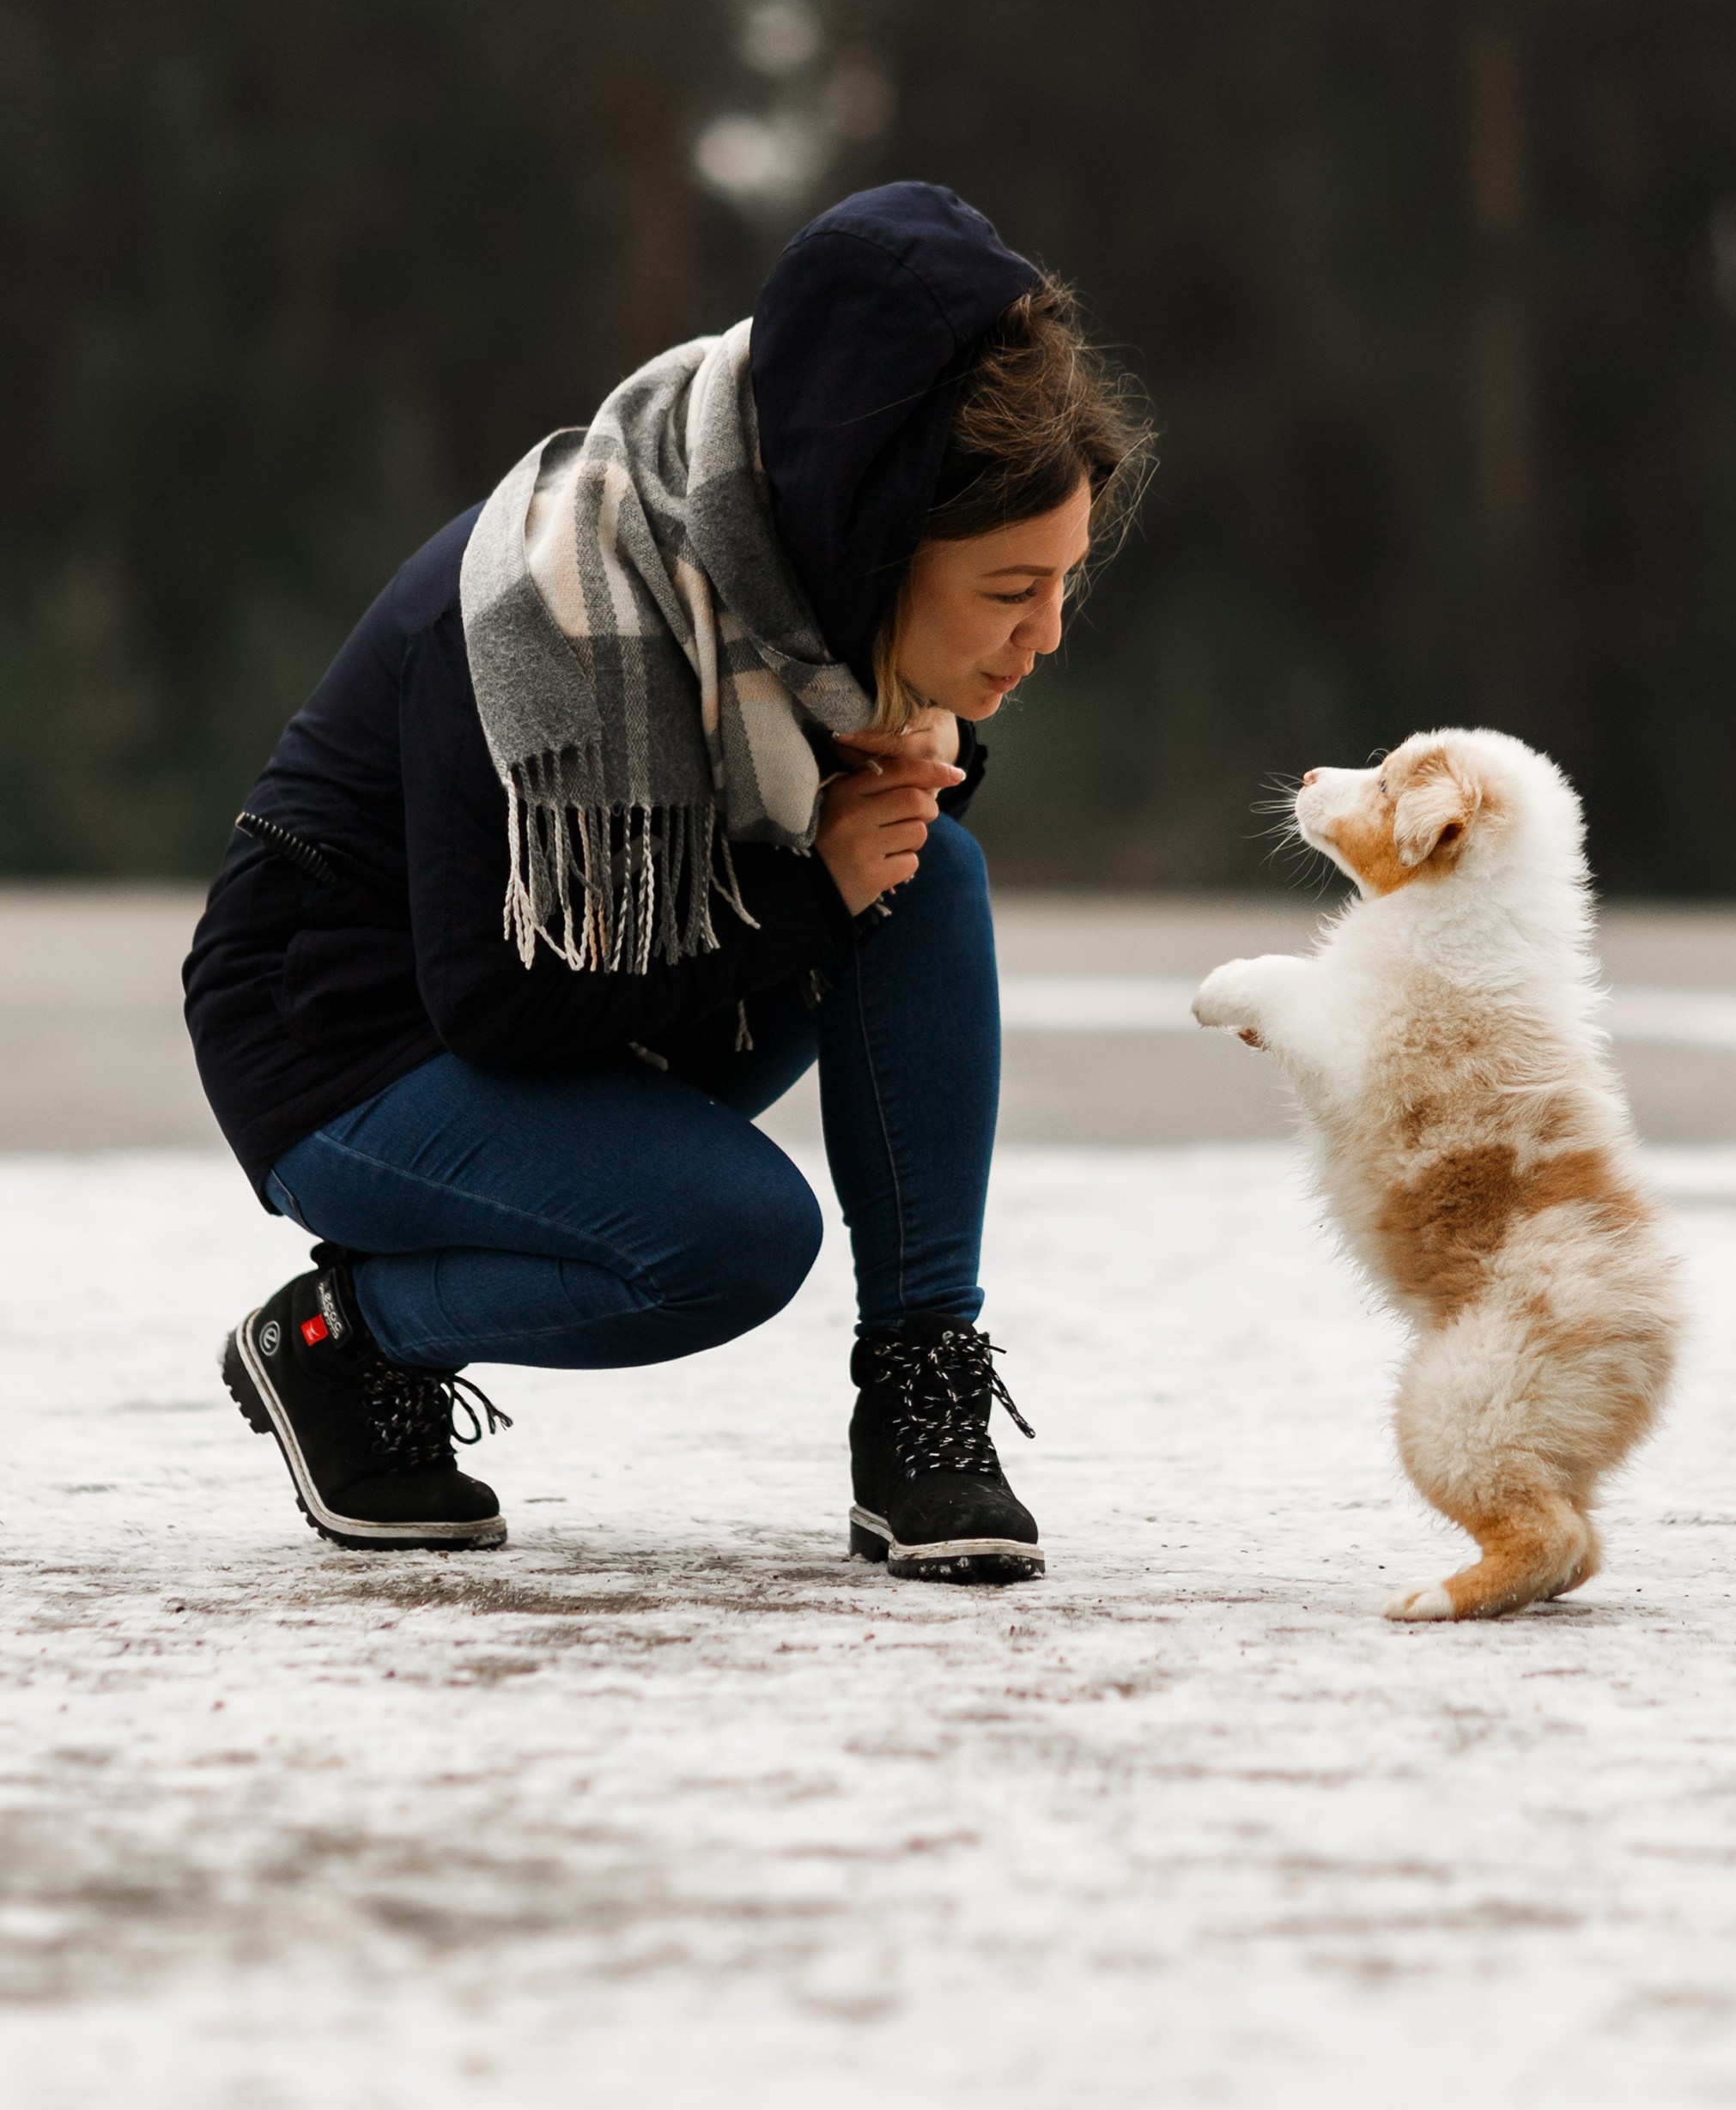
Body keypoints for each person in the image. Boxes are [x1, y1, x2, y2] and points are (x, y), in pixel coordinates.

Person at [185, 181, 1145, 1583]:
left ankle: (921, 1397)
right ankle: (338, 1343)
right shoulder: (545, 607)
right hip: (343, 1040)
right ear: (879, 536)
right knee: (731, 1236)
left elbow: (799, 861)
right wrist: (811, 896)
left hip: (579, 999)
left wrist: (875, 810)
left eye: (1061, 584)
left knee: (926, 874)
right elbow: (498, 1003)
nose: (1045, 635)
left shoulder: (789, 582)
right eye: (1010, 592)